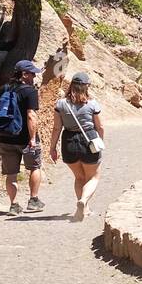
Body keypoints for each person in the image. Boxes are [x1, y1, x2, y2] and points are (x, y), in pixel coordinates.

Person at [49, 71, 105, 222]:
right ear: (86, 86)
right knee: (93, 176)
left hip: (69, 141)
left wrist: (52, 148)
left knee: (79, 177)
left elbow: (56, 128)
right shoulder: (92, 104)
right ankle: (83, 201)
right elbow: (100, 127)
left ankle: (84, 210)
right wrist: (100, 142)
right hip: (89, 139)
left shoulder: (61, 104)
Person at [0, 59, 44, 215]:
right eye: (32, 73)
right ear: (24, 74)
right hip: (24, 139)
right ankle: (33, 201)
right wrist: (32, 139)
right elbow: (31, 116)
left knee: (11, 174)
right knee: (34, 168)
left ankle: (14, 205)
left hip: (6, 138)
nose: (34, 76)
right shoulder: (30, 91)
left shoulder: (3, 89)